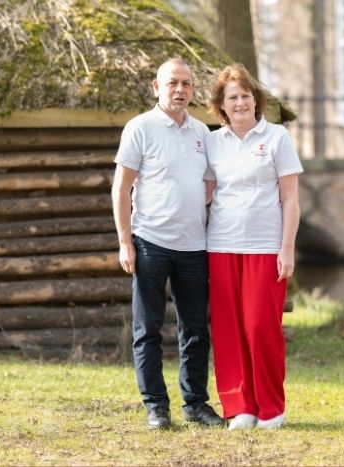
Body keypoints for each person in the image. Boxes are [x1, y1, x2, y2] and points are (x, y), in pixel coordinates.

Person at [111, 58, 224, 429]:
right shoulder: (140, 128)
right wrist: (125, 242)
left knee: (195, 329)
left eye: (187, 84)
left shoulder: (202, 134)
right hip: (150, 243)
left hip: (194, 246)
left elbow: (209, 185)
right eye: (172, 82)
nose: (180, 90)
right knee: (148, 328)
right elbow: (121, 187)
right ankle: (156, 406)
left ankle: (195, 403)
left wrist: (185, 206)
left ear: (193, 90)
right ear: (156, 87)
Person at [204, 63, 303, 430]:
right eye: (233, 97)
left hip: (266, 247)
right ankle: (240, 407)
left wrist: (287, 248)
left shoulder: (276, 137)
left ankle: (271, 407)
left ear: (256, 101)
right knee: (229, 329)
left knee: (261, 326)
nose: (241, 102)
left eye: (246, 95)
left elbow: (291, 199)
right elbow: (205, 192)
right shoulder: (213, 142)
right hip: (221, 245)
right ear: (222, 106)